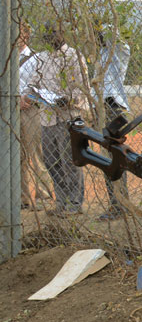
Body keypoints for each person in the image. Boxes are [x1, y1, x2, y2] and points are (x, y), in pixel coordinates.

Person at [23, 24, 88, 216]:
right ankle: (61, 201)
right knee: (51, 161)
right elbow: (32, 83)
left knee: (69, 162)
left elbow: (82, 88)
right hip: (46, 117)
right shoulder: (42, 57)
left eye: (54, 33)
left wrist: (69, 100)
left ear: (63, 34)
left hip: (67, 117)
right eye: (47, 34)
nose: (50, 37)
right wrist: (29, 94)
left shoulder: (74, 57)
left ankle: (75, 204)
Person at [97, 27, 132, 221]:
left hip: (113, 108)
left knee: (115, 156)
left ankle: (120, 203)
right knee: (107, 158)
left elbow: (123, 47)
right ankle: (115, 202)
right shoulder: (100, 56)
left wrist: (107, 30)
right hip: (101, 109)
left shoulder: (116, 55)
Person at [17, 28, 51, 209]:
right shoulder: (6, 57)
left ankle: (43, 193)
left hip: (31, 109)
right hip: (11, 109)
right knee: (19, 155)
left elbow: (42, 83)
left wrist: (28, 97)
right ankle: (23, 197)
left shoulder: (35, 58)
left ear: (26, 36)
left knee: (36, 153)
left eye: (20, 33)